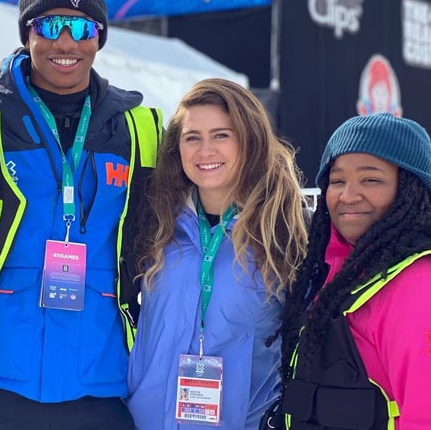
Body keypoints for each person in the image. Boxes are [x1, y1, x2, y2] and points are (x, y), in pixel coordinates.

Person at [0, 0, 163, 429]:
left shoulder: (140, 129)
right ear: (28, 33)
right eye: (50, 25)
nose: (65, 42)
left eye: (81, 27)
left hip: (103, 379)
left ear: (99, 37)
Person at [127, 78, 309, 430]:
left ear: (249, 140)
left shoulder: (286, 234)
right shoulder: (157, 225)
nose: (205, 150)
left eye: (221, 135)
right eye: (192, 137)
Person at [275, 112, 431, 429]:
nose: (348, 196)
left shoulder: (418, 284)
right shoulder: (331, 274)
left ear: (410, 190)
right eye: (337, 181)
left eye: (371, 179)